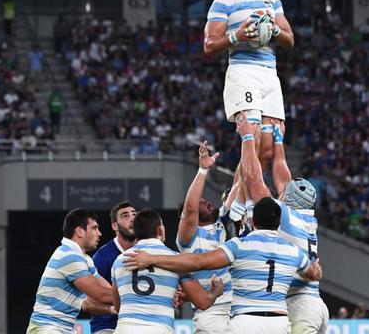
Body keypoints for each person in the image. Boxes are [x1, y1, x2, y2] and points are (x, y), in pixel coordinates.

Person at [124, 197, 323, 334]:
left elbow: (198, 262)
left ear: (253, 221)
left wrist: (152, 259)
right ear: (279, 224)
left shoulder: (239, 245)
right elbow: (313, 273)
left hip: (246, 320)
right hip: (279, 322)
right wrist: (316, 270)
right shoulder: (293, 251)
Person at [237, 116, 329, 334]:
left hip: (299, 304)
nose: (281, 189)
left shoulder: (286, 217)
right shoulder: (304, 216)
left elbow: (253, 180)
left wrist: (247, 137)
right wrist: (278, 141)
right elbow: (283, 179)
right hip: (313, 302)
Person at [203, 0, 295, 169]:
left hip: (269, 73)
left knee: (267, 149)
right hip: (243, 71)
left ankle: (244, 200)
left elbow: (289, 41)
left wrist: (273, 29)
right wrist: (237, 36)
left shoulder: (271, 0)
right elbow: (209, 45)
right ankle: (236, 203)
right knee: (251, 142)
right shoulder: (222, 2)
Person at [111, 209, 224, 334]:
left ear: (135, 233)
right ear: (160, 229)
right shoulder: (175, 260)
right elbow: (203, 302)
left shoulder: (119, 261)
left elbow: (118, 306)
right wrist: (216, 291)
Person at [28, 209, 116, 333]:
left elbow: (106, 292)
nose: (99, 233)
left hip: (63, 328)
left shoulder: (85, 259)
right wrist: (138, 298)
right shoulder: (70, 256)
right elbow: (101, 294)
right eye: (94, 228)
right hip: (46, 328)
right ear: (80, 231)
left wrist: (114, 308)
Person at [176, 142, 233, 334]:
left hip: (237, 309)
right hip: (211, 313)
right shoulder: (187, 237)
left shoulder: (221, 224)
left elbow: (240, 183)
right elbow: (190, 209)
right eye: (202, 202)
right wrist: (202, 170)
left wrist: (249, 138)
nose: (207, 201)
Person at [90, 202, 137, 334]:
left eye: (134, 214)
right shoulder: (101, 257)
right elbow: (87, 303)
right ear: (114, 225)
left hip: (139, 324)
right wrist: (114, 308)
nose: (132, 218)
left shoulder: (147, 250)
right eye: (125, 216)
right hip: (108, 326)